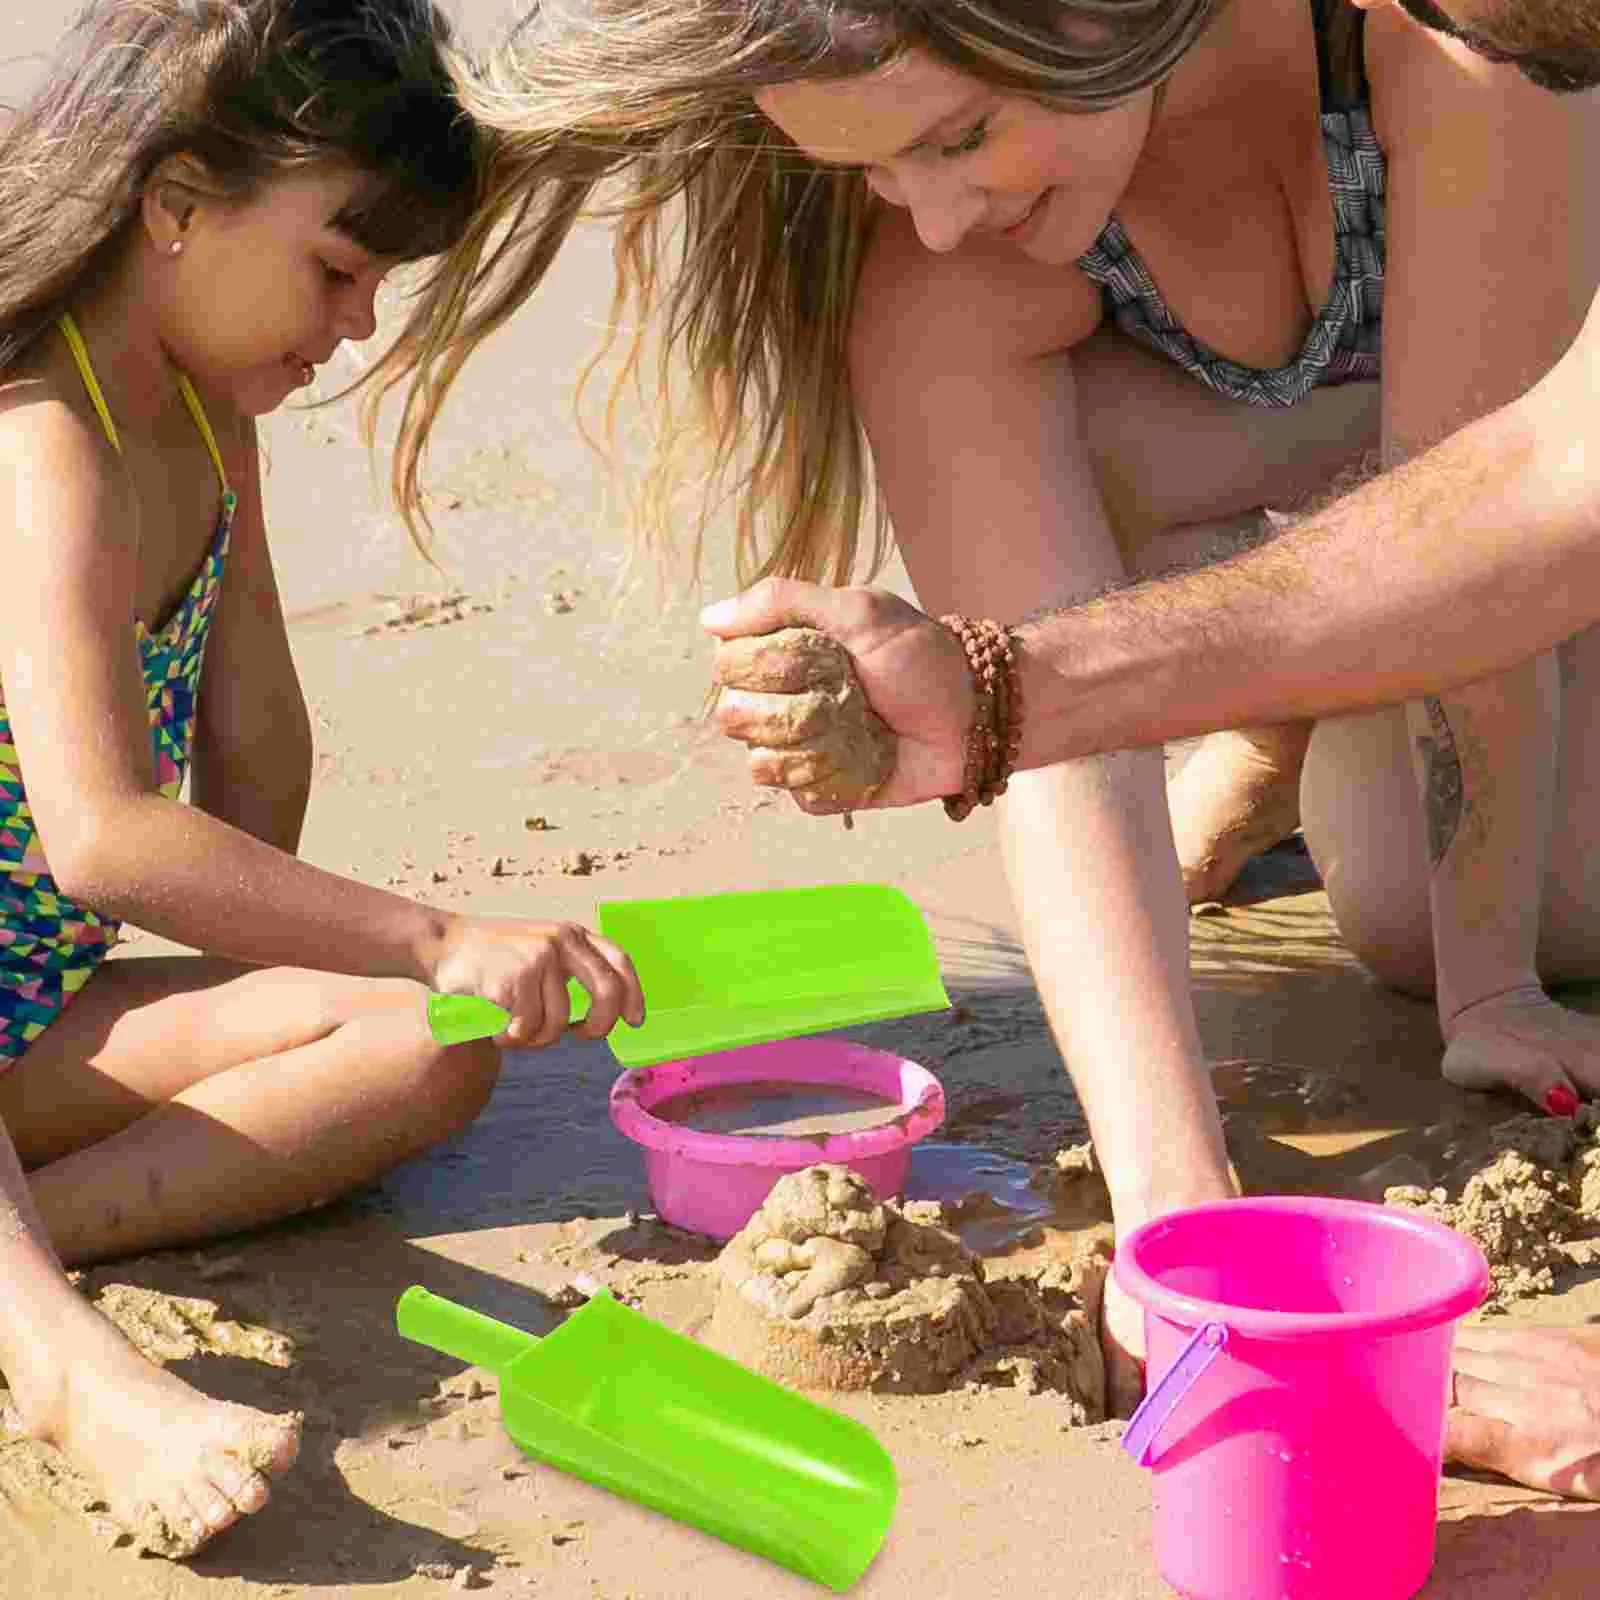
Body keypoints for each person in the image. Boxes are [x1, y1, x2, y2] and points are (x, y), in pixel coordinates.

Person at [405, 0, 1600, 1425]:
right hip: (1348, 513)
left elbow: (1504, 520)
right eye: (873, 173)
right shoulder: (934, 256)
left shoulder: (1466, 36)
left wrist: (1492, 980)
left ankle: (1280, 718)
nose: (933, 215)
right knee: (1393, 908)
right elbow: (1030, 717)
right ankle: (1283, 712)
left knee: (1468, 914)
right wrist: (1177, 1226)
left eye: (959, 137)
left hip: (1533, 494)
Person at [0, 0, 644, 1559]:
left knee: (436, 1046)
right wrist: (434, 927)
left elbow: (251, 794)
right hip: (43, 967)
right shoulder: (38, 435)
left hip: (27, 1026)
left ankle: (28, 1235)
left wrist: (429, 972)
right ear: (172, 207)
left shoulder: (206, 426)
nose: (353, 325)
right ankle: (69, 1369)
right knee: (430, 971)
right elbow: (100, 840)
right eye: (335, 269)